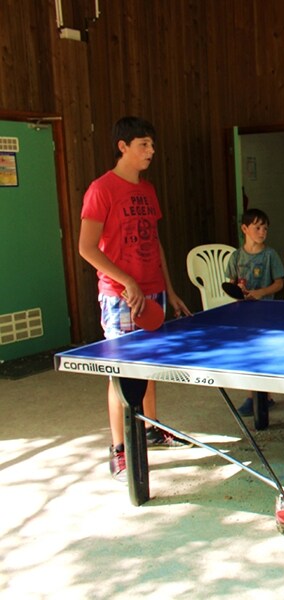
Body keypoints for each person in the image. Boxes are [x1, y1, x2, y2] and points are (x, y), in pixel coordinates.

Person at [78, 116, 193, 483]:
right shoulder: (101, 189)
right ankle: (119, 449)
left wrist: (170, 290)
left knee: (150, 367)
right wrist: (126, 280)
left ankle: (152, 428)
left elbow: (154, 241)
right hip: (121, 297)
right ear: (123, 146)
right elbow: (85, 248)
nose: (151, 151)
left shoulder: (147, 190)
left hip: (153, 290)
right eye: (144, 145)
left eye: (152, 145)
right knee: (122, 374)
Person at [225, 208, 284, 416]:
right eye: (257, 227)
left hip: (266, 311)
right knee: (249, 354)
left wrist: (260, 292)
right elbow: (231, 284)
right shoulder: (235, 257)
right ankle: (255, 396)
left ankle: (261, 396)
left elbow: (279, 283)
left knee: (263, 354)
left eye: (265, 228)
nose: (262, 232)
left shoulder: (270, 255)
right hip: (243, 312)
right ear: (245, 229)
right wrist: (239, 292)